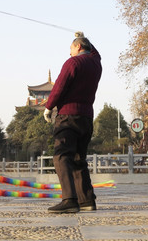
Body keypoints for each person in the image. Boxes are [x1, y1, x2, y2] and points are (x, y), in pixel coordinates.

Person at [44, 31, 102, 213]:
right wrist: (84, 37)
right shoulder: (96, 64)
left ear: (78, 46)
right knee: (79, 159)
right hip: (86, 118)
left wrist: (49, 106)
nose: (69, 52)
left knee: (61, 156)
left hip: (68, 116)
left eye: (71, 48)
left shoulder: (73, 62)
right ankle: (87, 201)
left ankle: (69, 199)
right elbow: (96, 53)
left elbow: (60, 85)